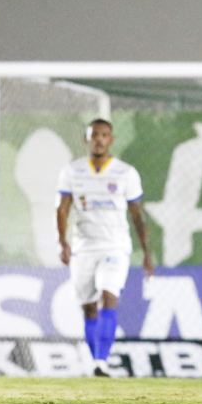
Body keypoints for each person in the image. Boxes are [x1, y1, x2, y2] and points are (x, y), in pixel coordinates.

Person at [57, 119, 154, 377]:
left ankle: (101, 361)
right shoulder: (72, 171)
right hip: (83, 247)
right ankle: (96, 363)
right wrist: (62, 242)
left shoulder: (126, 173)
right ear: (86, 139)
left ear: (111, 140)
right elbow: (62, 209)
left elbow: (137, 215)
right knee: (88, 306)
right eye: (94, 135)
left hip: (115, 246)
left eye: (104, 135)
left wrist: (146, 253)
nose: (99, 140)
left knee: (108, 295)